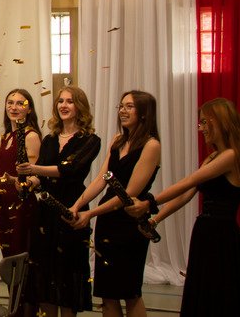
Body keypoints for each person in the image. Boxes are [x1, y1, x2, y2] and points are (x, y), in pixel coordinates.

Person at [125, 97, 240, 316]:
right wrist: (155, 219)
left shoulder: (231, 156)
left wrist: (149, 202)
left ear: (220, 121)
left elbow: (188, 182)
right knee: (202, 292)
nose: (201, 128)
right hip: (204, 232)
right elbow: (186, 195)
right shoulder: (213, 157)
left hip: (222, 237)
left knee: (218, 293)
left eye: (205, 122)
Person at [69, 90, 160, 317]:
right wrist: (77, 205)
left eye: (129, 106)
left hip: (129, 223)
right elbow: (101, 179)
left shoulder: (151, 145)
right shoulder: (118, 141)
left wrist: (92, 214)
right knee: (107, 293)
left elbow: (129, 193)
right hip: (108, 222)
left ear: (144, 113)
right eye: (121, 106)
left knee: (130, 293)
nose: (122, 111)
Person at [17, 86, 101, 317]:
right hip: (45, 213)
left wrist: (33, 169)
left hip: (71, 209)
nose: (63, 105)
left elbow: (69, 169)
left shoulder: (90, 140)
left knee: (66, 273)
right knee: (43, 276)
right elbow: (41, 177)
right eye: (61, 101)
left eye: (70, 101)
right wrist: (29, 182)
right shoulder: (50, 139)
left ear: (80, 107)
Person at [0, 89, 41, 257]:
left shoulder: (31, 136)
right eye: (10, 103)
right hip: (4, 203)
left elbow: (34, 176)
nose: (14, 107)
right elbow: (3, 173)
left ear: (29, 109)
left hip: (22, 204)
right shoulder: (3, 138)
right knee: (8, 253)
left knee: (21, 254)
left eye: (20, 104)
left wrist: (13, 181)